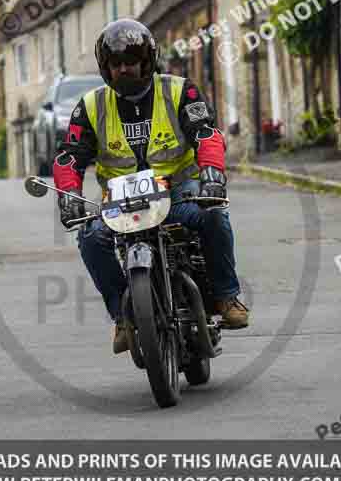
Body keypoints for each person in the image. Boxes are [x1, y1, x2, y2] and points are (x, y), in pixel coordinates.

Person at [53, 19, 249, 355]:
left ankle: (227, 296)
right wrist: (68, 198)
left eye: (132, 62)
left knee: (215, 216)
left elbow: (206, 134)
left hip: (176, 192)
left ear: (148, 61)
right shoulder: (90, 107)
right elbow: (69, 157)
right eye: (116, 64)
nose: (124, 70)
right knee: (90, 237)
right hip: (121, 202)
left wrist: (213, 174)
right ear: (106, 68)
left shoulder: (180, 90)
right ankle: (122, 317)